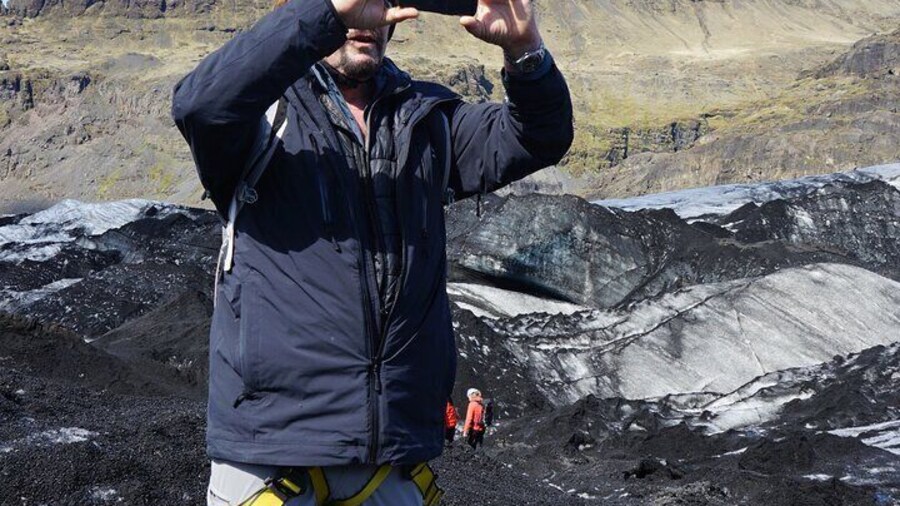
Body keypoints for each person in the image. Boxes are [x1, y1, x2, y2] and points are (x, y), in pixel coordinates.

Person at [171, 0, 573, 502]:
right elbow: (199, 107)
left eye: (380, 4)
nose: (368, 19)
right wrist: (327, 15)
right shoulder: (261, 115)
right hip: (270, 454)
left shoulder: (428, 120)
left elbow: (539, 137)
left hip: (394, 462)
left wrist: (525, 51)